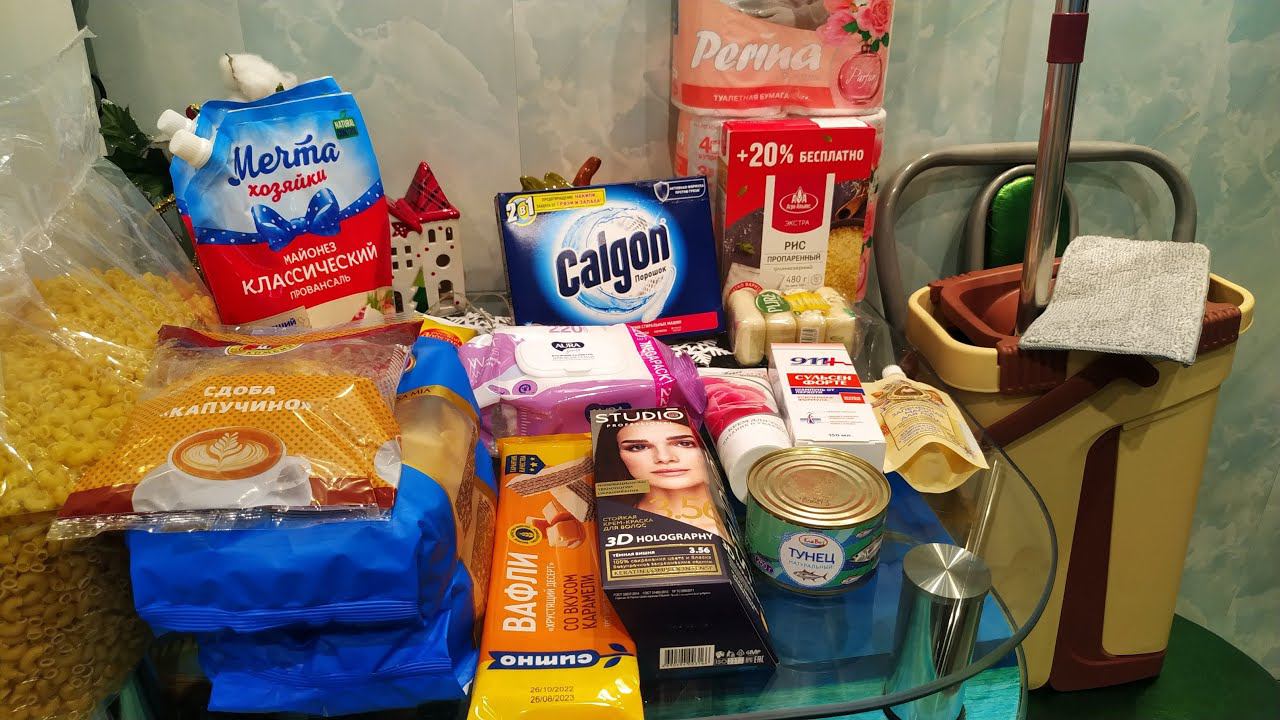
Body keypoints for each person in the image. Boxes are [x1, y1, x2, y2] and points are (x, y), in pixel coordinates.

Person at [597, 418, 723, 536]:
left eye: (684, 443)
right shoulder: (614, 527)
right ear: (617, 455)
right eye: (638, 447)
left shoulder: (723, 524)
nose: (664, 458)